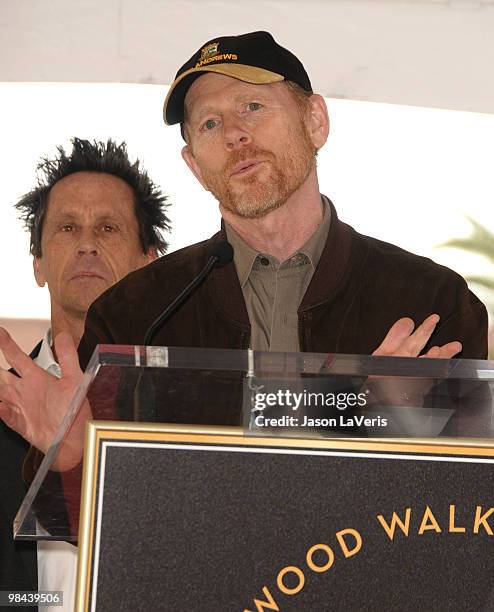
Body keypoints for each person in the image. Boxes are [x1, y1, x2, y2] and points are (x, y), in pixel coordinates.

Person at [0, 31, 488, 484]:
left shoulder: (430, 300)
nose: (234, 134)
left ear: (315, 121)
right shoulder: (135, 314)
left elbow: (460, 512)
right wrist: (70, 460)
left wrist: (391, 419)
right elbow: (116, 525)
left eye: (252, 107)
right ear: (194, 164)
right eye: (210, 123)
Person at [0, 137, 170, 609]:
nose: (88, 245)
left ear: (149, 262)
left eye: (109, 228)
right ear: (37, 263)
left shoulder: (196, 405)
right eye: (68, 227)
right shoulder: (3, 406)